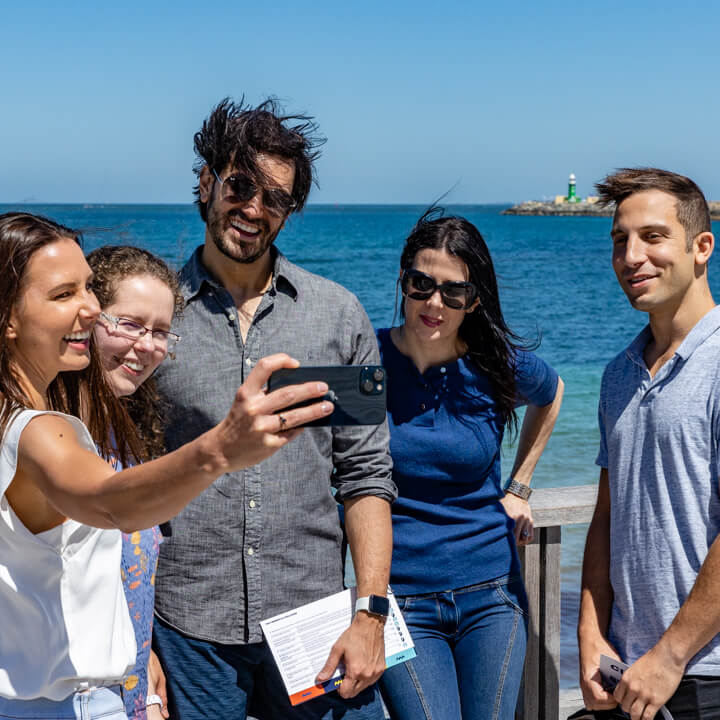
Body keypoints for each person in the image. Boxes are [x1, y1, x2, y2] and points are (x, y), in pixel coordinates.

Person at [0, 211, 332, 720]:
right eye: (64, 295)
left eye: (88, 288)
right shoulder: (41, 430)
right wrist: (221, 449)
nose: (90, 310)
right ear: (9, 317)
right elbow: (111, 503)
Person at [151, 98, 396, 720]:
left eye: (276, 199)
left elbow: (365, 476)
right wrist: (135, 641)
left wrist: (370, 614)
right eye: (240, 184)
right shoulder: (157, 320)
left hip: (312, 619)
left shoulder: (338, 316)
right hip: (187, 627)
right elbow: (124, 479)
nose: (254, 209)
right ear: (206, 182)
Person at [376, 209, 563, 720]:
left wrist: (519, 486)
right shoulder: (367, 363)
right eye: (421, 283)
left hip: (492, 593)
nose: (434, 303)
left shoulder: (494, 363)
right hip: (400, 600)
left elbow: (552, 393)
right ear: (403, 280)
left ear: (473, 300)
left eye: (453, 292)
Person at [578, 168, 720, 719]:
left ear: (701, 247)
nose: (632, 256)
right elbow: (607, 516)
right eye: (620, 240)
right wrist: (591, 634)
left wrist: (671, 654)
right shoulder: (618, 373)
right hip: (627, 673)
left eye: (653, 237)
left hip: (703, 675)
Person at [87, 245, 185, 720]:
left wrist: (142, 652)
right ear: (87, 319)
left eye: (161, 332)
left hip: (125, 690)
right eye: (129, 324)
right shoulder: (48, 434)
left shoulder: (126, 432)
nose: (147, 346)